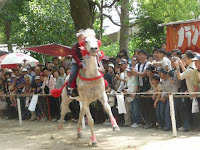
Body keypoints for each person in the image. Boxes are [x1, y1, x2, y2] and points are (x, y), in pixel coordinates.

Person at [67, 29, 85, 95]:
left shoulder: (87, 45)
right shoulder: (74, 47)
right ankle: (69, 87)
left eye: (83, 38)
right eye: (81, 38)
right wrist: (81, 65)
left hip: (85, 62)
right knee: (73, 73)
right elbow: (76, 58)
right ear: (78, 39)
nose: (82, 39)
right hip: (76, 63)